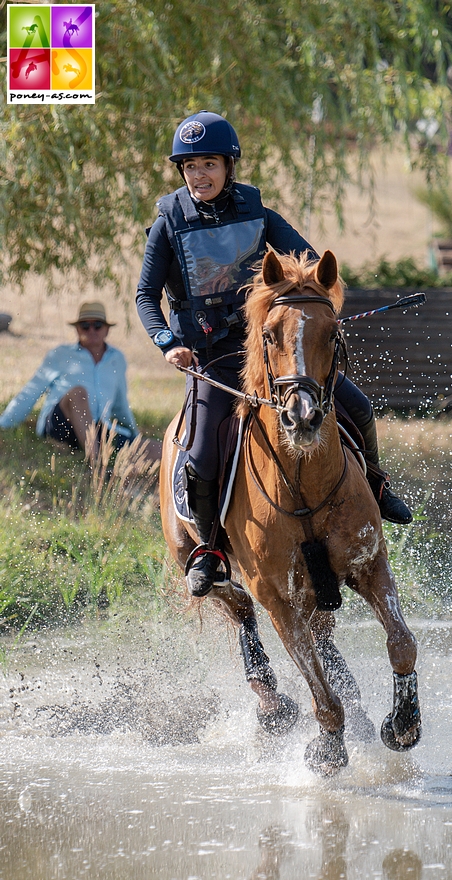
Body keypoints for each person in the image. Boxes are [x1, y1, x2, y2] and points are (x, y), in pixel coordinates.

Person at [136, 110, 412, 597]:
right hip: (211, 358)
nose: (199, 176)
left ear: (229, 166)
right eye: (190, 167)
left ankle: (376, 484)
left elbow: (307, 264)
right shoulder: (167, 224)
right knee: (200, 455)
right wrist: (168, 343)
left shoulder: (258, 213)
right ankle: (211, 549)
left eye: (208, 165)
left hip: (271, 351)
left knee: (359, 408)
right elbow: (145, 296)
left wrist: (308, 311)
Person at [0, 301, 161, 462]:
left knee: (158, 450)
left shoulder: (117, 359)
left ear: (106, 330)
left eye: (97, 325)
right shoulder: (60, 355)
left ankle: (127, 475)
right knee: (78, 393)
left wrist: (135, 435)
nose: (91, 330)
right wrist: (4, 425)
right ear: (77, 329)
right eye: (85, 326)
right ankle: (96, 465)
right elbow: (31, 391)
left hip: (97, 427)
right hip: (61, 424)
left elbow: (120, 404)